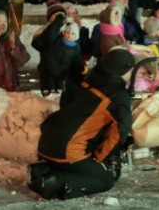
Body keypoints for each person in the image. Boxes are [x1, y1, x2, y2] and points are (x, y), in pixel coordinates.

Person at [28, 48, 135, 200]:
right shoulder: (118, 94)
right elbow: (120, 131)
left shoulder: (89, 80)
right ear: (125, 70)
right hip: (67, 149)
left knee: (82, 162)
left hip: (46, 141)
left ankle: (42, 170)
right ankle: (54, 182)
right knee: (105, 179)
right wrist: (100, 157)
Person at [32, 13, 86, 100]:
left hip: (62, 75)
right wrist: (60, 20)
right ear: (63, 31)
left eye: (72, 33)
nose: (69, 34)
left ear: (76, 36)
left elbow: (77, 60)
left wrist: (81, 67)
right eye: (67, 32)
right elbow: (51, 32)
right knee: (48, 94)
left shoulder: (76, 48)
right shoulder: (56, 40)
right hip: (48, 73)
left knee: (60, 94)